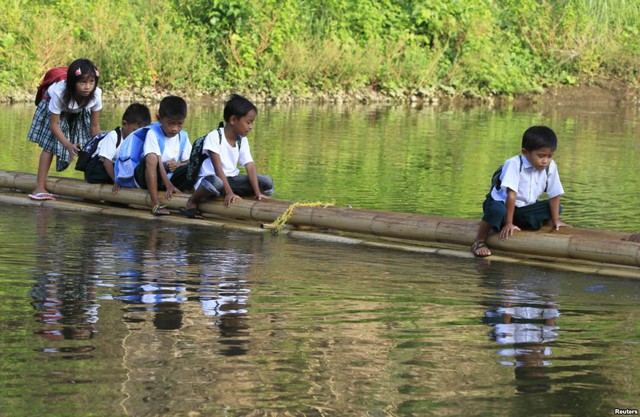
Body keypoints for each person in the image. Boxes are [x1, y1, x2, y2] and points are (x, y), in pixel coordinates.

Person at [471, 125, 571, 257]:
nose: (545, 161)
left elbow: (554, 194)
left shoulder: (550, 167)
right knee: (497, 210)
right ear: (525, 152)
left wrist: (556, 220)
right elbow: (511, 195)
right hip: (502, 205)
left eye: (550, 156)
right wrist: (509, 223)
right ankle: (479, 241)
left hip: (523, 209)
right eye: (541, 156)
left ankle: (545, 230)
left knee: (556, 208)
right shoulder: (514, 164)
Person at [181, 94, 273, 219]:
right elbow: (218, 169)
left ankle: (237, 196)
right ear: (233, 120)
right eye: (248, 122)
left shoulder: (242, 140)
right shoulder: (214, 137)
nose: (251, 127)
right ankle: (192, 201)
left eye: (252, 123)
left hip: (231, 180)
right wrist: (229, 193)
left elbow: (249, 165)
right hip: (212, 181)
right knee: (215, 182)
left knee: (266, 182)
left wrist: (258, 193)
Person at [27, 58, 102, 200]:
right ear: (73, 83)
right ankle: (39, 187)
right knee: (49, 146)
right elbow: (54, 124)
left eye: (91, 82)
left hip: (79, 110)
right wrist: (67, 145)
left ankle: (90, 187)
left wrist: (96, 145)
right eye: (83, 82)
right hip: (55, 112)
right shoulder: (59, 92)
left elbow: (94, 125)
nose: (87, 87)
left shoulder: (96, 94)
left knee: (89, 146)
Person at [133, 96, 192, 215]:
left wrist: (178, 164)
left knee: (195, 165)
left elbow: (188, 161)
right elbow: (156, 161)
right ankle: (155, 203)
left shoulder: (183, 136)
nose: (175, 129)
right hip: (146, 176)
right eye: (170, 124)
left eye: (179, 124)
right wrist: (168, 184)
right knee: (152, 158)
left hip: (169, 177)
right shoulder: (153, 133)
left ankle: (192, 199)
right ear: (159, 118)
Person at [84, 103, 151, 190]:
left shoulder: (139, 141)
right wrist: (116, 181)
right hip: (99, 169)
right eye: (135, 130)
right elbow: (106, 161)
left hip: (118, 169)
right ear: (124, 124)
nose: (138, 134)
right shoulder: (114, 136)